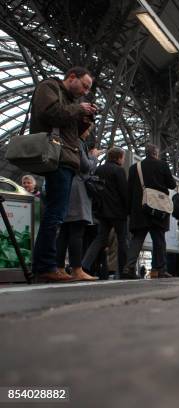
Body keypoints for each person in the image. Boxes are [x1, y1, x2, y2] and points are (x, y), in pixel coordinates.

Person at [30, 66, 97, 283]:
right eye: (84, 86)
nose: (85, 92)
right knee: (55, 215)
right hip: (57, 159)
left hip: (66, 160)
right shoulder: (49, 87)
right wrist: (79, 110)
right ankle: (45, 266)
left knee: (56, 215)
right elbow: (49, 114)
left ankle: (46, 265)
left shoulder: (70, 101)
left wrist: (84, 120)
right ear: (71, 77)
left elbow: (69, 132)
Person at [55, 124, 101, 281]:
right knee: (76, 231)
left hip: (68, 187)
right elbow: (86, 166)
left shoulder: (69, 140)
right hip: (77, 191)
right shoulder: (78, 142)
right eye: (88, 129)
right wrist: (94, 156)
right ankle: (77, 269)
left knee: (65, 232)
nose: (88, 132)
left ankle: (59, 268)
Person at [125, 144, 176, 278]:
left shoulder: (134, 168)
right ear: (156, 153)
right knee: (159, 239)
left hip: (140, 209)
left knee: (137, 239)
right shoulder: (162, 165)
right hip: (158, 208)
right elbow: (172, 184)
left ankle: (129, 267)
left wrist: (129, 211)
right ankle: (159, 269)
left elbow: (129, 191)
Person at [81, 147, 132, 279]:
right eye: (123, 157)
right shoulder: (119, 170)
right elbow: (124, 192)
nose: (123, 159)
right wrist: (128, 209)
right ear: (119, 157)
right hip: (118, 212)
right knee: (122, 240)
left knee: (100, 239)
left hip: (102, 211)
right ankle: (123, 270)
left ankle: (84, 265)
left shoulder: (99, 169)